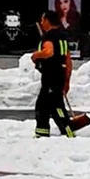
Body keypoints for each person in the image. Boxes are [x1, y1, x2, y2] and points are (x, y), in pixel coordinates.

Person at [31, 10, 74, 138]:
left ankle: (68, 131)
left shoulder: (49, 37)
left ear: (48, 21)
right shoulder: (63, 37)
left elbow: (49, 52)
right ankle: (41, 132)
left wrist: (35, 55)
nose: (41, 22)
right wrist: (67, 81)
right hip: (59, 75)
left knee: (56, 106)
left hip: (51, 76)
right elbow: (68, 60)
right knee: (43, 105)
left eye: (42, 20)